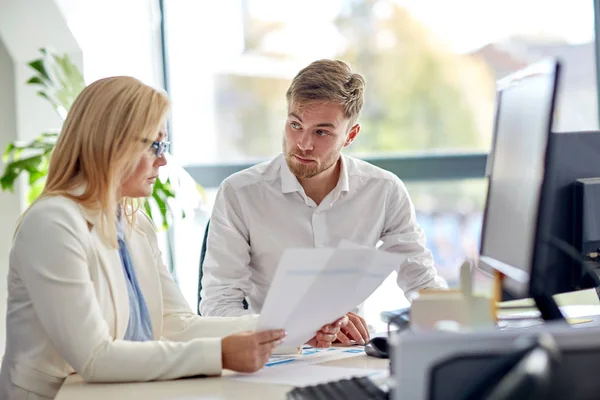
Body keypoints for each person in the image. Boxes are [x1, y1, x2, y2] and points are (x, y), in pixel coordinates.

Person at [0, 76, 346, 400]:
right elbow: (95, 357)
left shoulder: (135, 224)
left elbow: (175, 325)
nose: (163, 160)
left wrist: (293, 327)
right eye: (153, 145)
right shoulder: (53, 224)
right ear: (111, 145)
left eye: (163, 145)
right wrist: (221, 354)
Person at [200, 59, 448, 343]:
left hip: (349, 352)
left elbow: (422, 282)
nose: (303, 144)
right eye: (295, 125)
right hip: (273, 356)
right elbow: (217, 307)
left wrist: (461, 324)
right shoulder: (240, 193)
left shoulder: (384, 191)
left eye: (321, 132)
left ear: (350, 135)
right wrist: (292, 331)